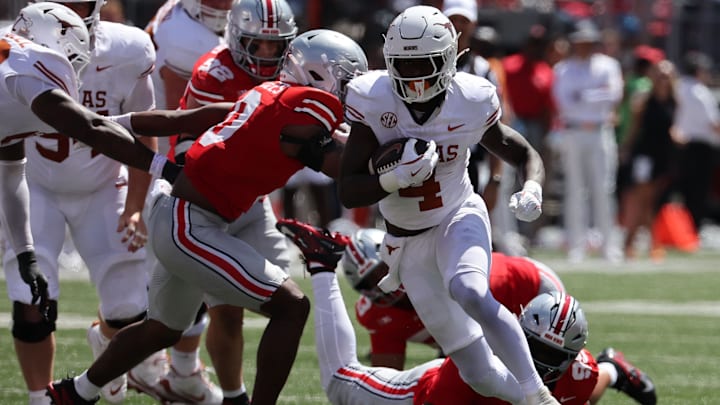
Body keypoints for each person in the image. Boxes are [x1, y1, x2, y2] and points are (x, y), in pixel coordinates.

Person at [46, 28, 369, 405]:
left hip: (183, 218)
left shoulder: (268, 95)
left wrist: (116, 121)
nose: (348, 91)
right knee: (291, 307)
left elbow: (183, 118)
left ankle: (73, 393)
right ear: (317, 74)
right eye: (345, 81)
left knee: (162, 330)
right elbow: (341, 169)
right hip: (191, 225)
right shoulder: (305, 105)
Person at [339, 5, 552, 404]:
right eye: (406, 66)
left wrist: (533, 188)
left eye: (427, 65)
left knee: (469, 290)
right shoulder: (373, 98)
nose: (417, 79)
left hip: (458, 214)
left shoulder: (470, 98)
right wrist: (393, 178)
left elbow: (523, 153)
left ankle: (539, 394)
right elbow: (348, 190)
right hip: (408, 241)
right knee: (478, 373)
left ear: (451, 59)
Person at [1, 4, 180, 402]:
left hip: (103, 184)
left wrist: (136, 204)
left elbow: (139, 124)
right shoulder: (15, 65)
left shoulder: (126, 49)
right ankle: (40, 397)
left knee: (128, 306)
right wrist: (168, 171)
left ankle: (103, 352)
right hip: (36, 186)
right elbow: (15, 161)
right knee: (30, 299)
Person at [130, 1, 297, 403]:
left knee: (266, 295)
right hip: (198, 193)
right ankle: (104, 369)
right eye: (258, 45)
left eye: (277, 47)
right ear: (238, 38)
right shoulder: (213, 69)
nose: (267, 56)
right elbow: (196, 147)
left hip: (248, 198)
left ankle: (184, 379)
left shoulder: (294, 68)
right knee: (207, 306)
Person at [275, 218, 594, 405]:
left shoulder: (583, 374)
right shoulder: (478, 379)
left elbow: (595, 377)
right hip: (427, 390)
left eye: (551, 355)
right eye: (534, 349)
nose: (539, 363)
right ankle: (321, 266)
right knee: (339, 382)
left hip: (525, 285)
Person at [337, 225, 657, 405]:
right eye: (370, 283)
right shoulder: (378, 314)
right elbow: (386, 371)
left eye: (382, 273)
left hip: (528, 290)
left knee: (571, 390)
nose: (385, 289)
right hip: (473, 342)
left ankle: (611, 369)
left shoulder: (462, 285)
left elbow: (487, 323)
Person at [552, 19, 624, 263]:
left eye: (587, 41)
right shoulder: (562, 69)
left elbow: (613, 94)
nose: (583, 46)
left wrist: (584, 95)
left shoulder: (608, 66)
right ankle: (577, 245)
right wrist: (595, 95)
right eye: (580, 42)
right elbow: (564, 101)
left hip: (600, 131)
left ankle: (609, 245)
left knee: (604, 188)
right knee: (575, 189)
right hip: (573, 132)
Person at [620, 60, 678, 260]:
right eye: (659, 75)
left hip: (662, 156)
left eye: (666, 75)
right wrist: (626, 148)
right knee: (642, 199)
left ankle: (643, 242)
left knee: (652, 201)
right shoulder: (644, 100)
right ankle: (637, 242)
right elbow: (635, 129)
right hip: (644, 156)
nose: (663, 79)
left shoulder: (673, 101)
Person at [672, 51, 720, 231]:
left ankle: (681, 229)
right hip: (700, 147)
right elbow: (714, 123)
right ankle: (692, 230)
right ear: (699, 71)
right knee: (698, 192)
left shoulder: (677, 87)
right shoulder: (701, 92)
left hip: (680, 145)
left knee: (682, 190)